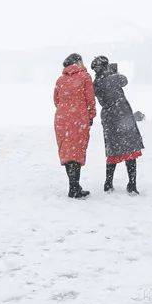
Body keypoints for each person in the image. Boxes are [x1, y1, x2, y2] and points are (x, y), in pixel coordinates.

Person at [91, 57, 144, 195]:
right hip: (123, 115)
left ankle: (108, 183)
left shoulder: (95, 82)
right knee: (130, 149)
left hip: (109, 118)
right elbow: (124, 80)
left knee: (113, 149)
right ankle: (132, 184)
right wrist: (113, 73)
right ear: (106, 66)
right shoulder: (113, 78)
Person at [54, 53, 97, 199]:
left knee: (68, 152)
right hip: (78, 118)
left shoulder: (60, 80)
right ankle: (74, 188)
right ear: (78, 62)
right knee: (76, 152)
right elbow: (90, 99)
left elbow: (56, 99)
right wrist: (91, 115)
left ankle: (73, 186)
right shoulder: (85, 77)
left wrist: (65, 110)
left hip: (62, 119)